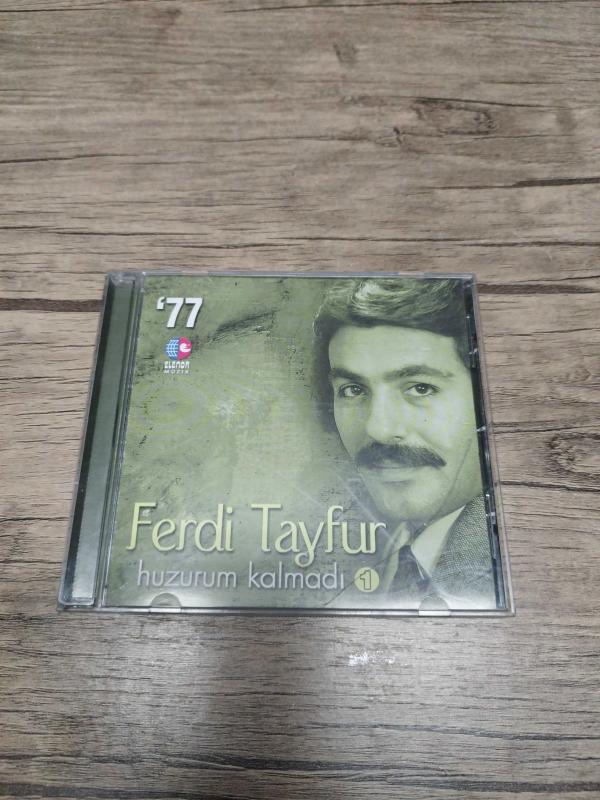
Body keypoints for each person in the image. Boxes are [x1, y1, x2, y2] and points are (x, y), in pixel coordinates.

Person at [314, 277, 499, 609]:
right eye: (353, 390)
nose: (378, 429)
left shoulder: (505, 565)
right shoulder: (363, 553)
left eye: (420, 388)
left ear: (483, 395)